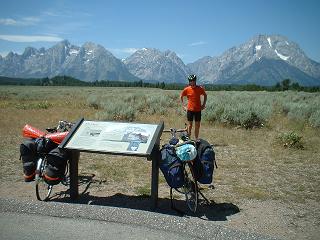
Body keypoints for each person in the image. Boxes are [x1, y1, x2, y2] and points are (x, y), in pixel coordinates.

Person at [180, 74, 207, 140]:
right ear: (189, 81)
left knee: (197, 126)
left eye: (193, 80)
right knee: (190, 125)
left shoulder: (200, 88)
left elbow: (205, 95)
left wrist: (203, 105)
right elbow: (181, 96)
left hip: (198, 110)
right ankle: (188, 139)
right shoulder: (187, 89)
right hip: (190, 110)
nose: (191, 82)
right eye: (190, 81)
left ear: (195, 81)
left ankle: (196, 139)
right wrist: (183, 106)